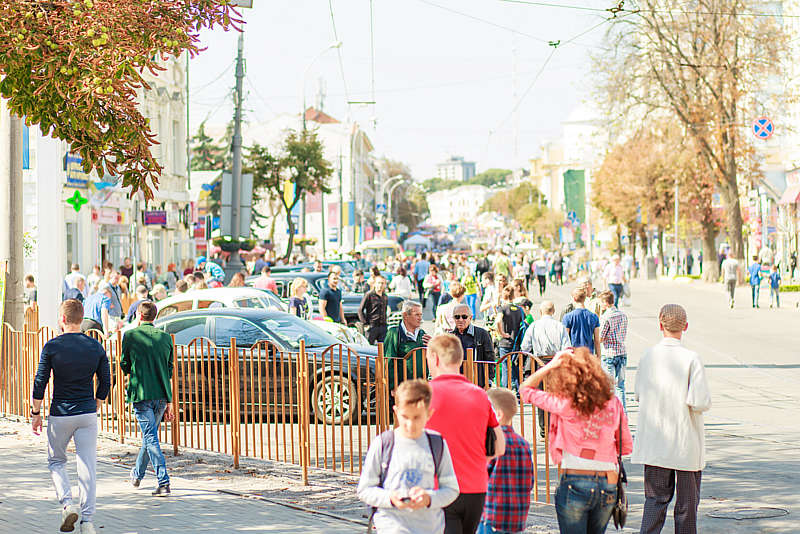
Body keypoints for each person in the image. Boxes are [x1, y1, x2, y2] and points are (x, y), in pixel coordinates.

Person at [520, 348, 632, 534]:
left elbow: (525, 390)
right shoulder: (613, 403)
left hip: (575, 479)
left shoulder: (566, 403)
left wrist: (552, 364)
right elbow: (625, 445)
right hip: (608, 481)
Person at [31, 299, 111, 534]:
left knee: (56, 461)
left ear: (63, 319)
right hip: (86, 413)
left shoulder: (52, 346)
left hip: (61, 413)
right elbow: (106, 380)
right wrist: (97, 401)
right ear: (81, 318)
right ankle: (87, 522)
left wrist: (36, 412)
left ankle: (67, 504)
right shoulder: (95, 347)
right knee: (87, 465)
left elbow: (40, 381)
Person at [633, 304, 711, 534]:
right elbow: (700, 401)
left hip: (655, 441)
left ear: (660, 325)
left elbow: (638, 394)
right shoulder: (691, 358)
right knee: (687, 505)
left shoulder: (647, 356)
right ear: (685, 326)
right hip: (684, 443)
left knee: (655, 500)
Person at [425, 334, 505, 534]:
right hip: (475, 488)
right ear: (460, 359)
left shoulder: (425, 394)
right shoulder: (479, 394)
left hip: (437, 488)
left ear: (434, 358)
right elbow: (499, 446)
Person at [357, 379, 459, 534]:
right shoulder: (383, 443)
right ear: (396, 411)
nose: (410, 424)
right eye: (405, 417)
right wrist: (390, 498)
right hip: (392, 527)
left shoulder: (436, 443)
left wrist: (429, 498)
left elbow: (451, 489)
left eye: (417, 417)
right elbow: (365, 489)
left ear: (429, 414)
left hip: (429, 528)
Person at [121, 301, 175, 496]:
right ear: (155, 317)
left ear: (139, 316)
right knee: (149, 436)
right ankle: (137, 474)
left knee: (150, 437)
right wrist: (170, 401)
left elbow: (124, 364)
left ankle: (163, 481)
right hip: (161, 394)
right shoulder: (165, 338)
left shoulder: (130, 336)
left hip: (142, 393)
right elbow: (169, 369)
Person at [478, 388, 534, 534]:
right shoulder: (523, 443)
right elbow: (530, 480)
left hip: (492, 515)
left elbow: (480, 477)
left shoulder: (490, 441)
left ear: (498, 414)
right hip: (517, 519)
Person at [521, 300, 570, 438]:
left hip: (539, 362)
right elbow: (567, 347)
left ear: (540, 312)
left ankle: (544, 430)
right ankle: (556, 427)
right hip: (556, 361)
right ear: (553, 311)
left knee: (542, 396)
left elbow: (524, 347)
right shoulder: (560, 326)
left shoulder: (534, 326)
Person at [384, 301, 431, 393]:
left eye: (421, 315)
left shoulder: (422, 334)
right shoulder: (394, 333)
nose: (420, 318)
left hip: (421, 386)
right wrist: (393, 386)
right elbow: (388, 361)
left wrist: (432, 345)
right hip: (403, 388)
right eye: (417, 315)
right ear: (405, 315)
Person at [448, 303, 494, 389]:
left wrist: (489, 381)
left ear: (470, 318)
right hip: (456, 383)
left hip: (477, 382)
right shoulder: (449, 336)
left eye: (464, 316)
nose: (460, 319)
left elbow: (490, 358)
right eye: (457, 317)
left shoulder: (482, 333)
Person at [598, 290, 628, 411]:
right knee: (620, 386)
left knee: (609, 387)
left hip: (609, 353)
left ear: (605, 302)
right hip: (621, 352)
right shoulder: (623, 315)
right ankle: (623, 415)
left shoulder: (606, 317)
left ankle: (611, 416)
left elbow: (600, 337)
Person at [495, 286, 525, 391]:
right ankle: (518, 390)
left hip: (505, 342)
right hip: (517, 342)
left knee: (505, 366)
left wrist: (502, 333)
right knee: (516, 366)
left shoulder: (502, 308)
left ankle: (506, 391)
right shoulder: (519, 309)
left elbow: (498, 321)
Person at [562, 287, 601, 356]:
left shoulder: (568, 317)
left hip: (574, 355)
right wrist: (599, 358)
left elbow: (565, 340)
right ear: (585, 298)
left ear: (574, 299)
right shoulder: (594, 316)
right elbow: (597, 341)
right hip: (589, 355)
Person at [359, 275, 389, 344]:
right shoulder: (369, 295)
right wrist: (365, 324)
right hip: (372, 326)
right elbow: (360, 310)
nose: (380, 285)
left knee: (383, 349)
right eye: (378, 283)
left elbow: (385, 310)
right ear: (374, 284)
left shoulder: (385, 296)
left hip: (383, 327)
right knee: (368, 348)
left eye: (382, 283)